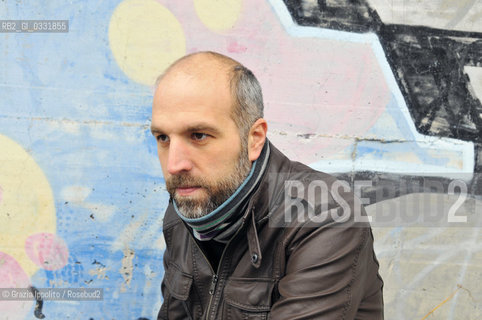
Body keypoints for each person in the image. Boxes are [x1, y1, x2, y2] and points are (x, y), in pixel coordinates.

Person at [151, 51, 384, 319]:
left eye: (199, 135)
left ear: (254, 138)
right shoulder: (187, 210)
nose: (174, 165)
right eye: (163, 138)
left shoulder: (325, 216)